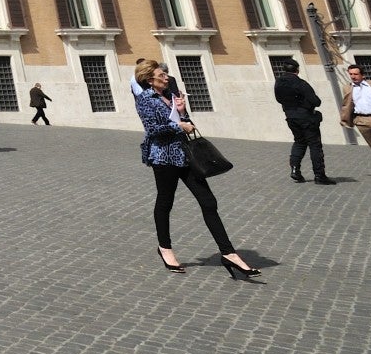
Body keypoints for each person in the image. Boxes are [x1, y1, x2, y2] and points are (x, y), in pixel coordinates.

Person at [135, 61, 260, 279]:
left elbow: (185, 123)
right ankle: (165, 248)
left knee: (208, 201)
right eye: (161, 74)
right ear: (149, 79)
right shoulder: (145, 99)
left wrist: (183, 113)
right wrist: (179, 125)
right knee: (165, 202)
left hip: (185, 155)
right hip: (163, 157)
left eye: (165, 74)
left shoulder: (170, 97)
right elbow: (153, 129)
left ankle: (228, 253)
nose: (166, 77)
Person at [273, 62, 332, 184]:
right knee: (315, 145)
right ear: (297, 70)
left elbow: (278, 99)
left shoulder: (278, 83)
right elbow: (316, 101)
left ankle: (295, 170)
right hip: (306, 117)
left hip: (290, 116)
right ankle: (319, 175)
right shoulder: (300, 83)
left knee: (299, 142)